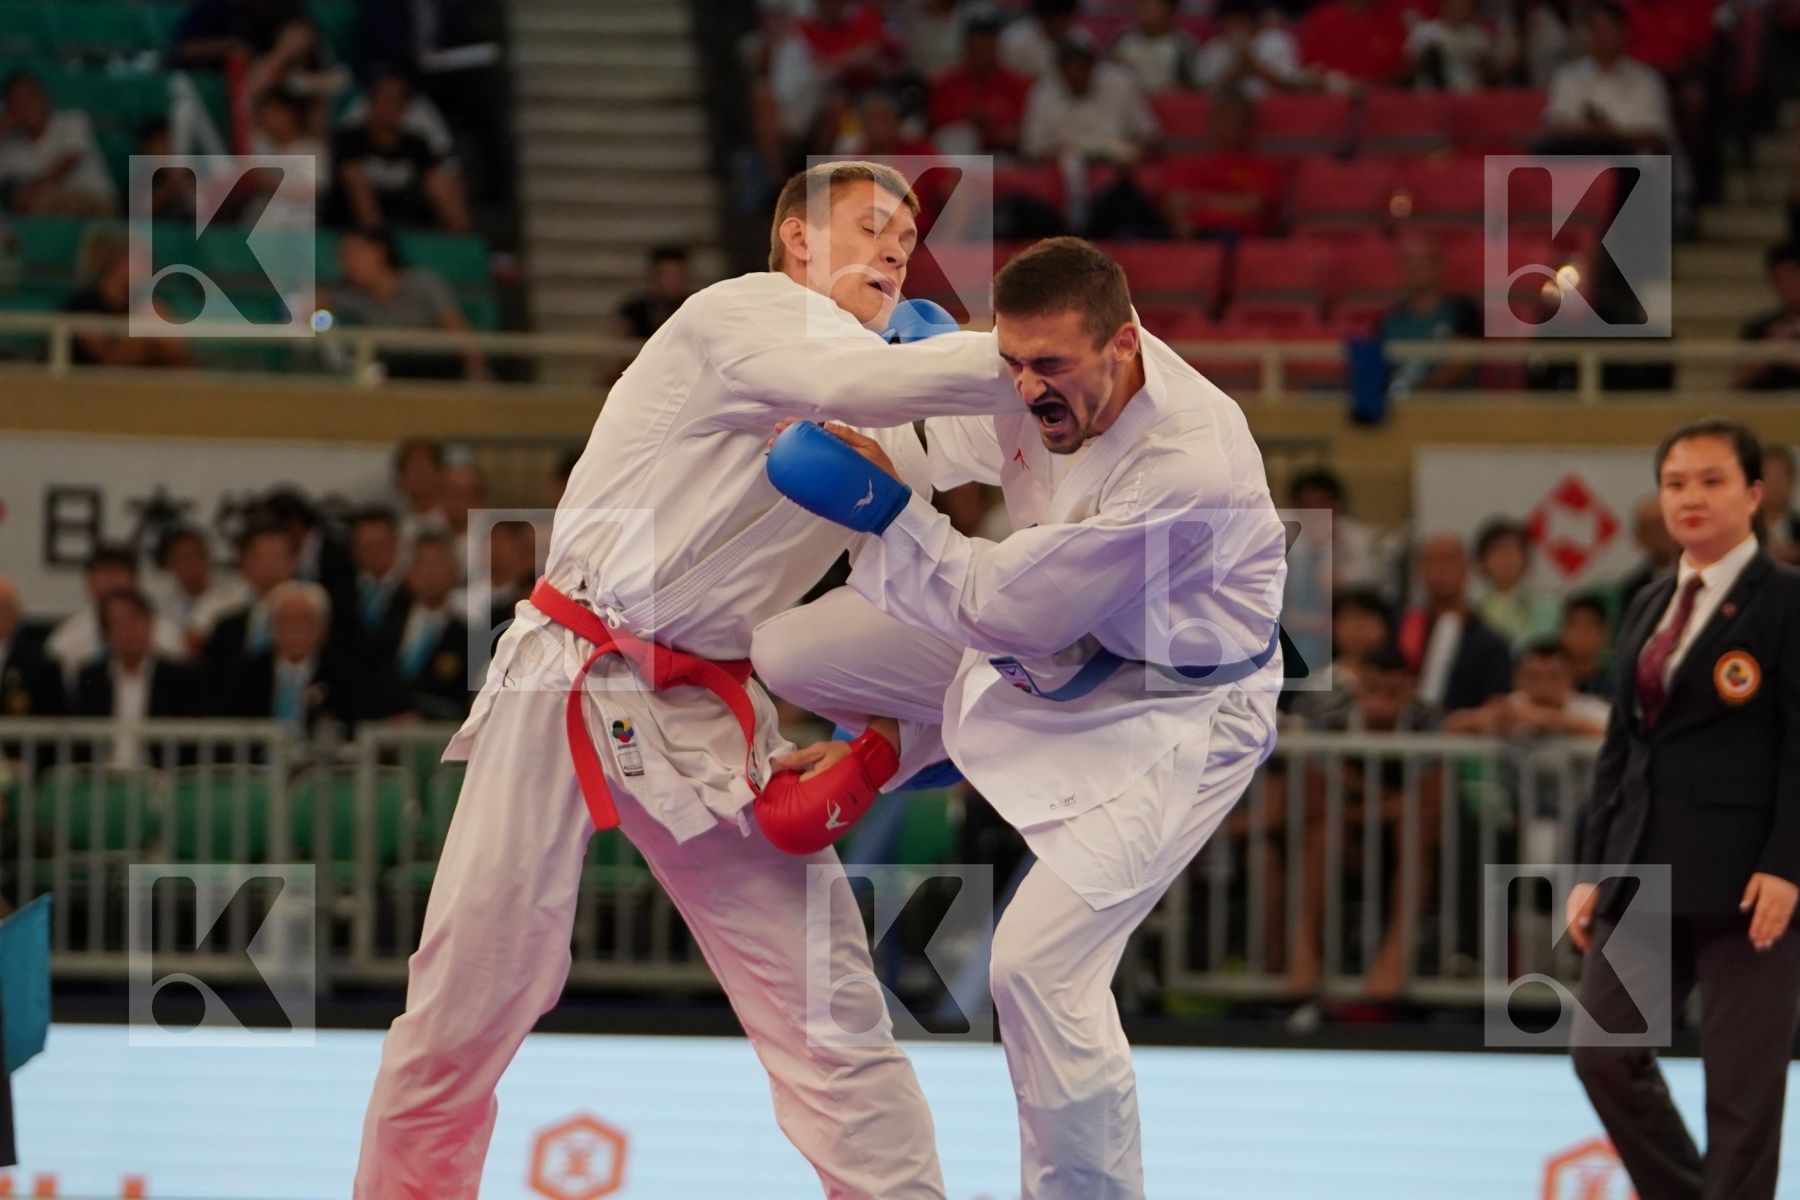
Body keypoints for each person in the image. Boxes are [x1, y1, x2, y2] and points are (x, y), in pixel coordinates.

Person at [352, 160, 1019, 1199]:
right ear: (799, 239)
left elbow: (1001, 433)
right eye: (872, 224)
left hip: (711, 708)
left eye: (910, 232)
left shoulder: (900, 395)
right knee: (470, 997)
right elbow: (866, 382)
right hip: (571, 668)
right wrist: (1012, 352)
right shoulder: (740, 317)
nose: (898, 244)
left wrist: (1061, 363)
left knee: (830, 1012)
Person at [751, 237, 1286, 1200]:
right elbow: (940, 445)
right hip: (1040, 652)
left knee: (1036, 970)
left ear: (1124, 343)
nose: (1028, 387)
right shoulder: (1021, 377)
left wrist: (884, 510)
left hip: (1174, 713)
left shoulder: (1187, 461)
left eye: (1052, 366)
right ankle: (911, 739)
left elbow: (1008, 605)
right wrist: (880, 416)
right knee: (785, 652)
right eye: (1013, 361)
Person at [1568, 416, 1800, 1200]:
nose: (1691, 498)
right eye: (1675, 484)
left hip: (1748, 882)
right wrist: (1592, 870)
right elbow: (1622, 748)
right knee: (1602, 1053)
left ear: (1755, 495)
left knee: (1741, 1091)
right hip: (1641, 869)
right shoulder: (1650, 601)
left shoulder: (1788, 601)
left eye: (1711, 481)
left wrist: (1786, 865)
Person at [0, 71, 117, 216]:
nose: (27, 106)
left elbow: (69, 161)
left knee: (38, 205)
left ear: (44, 97)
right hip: (44, 209)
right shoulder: (10, 146)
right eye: (17, 103)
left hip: (94, 200)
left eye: (31, 97)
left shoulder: (72, 120)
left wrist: (34, 190)